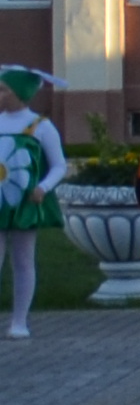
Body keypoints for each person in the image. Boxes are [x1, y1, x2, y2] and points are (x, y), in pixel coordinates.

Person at [0, 68, 62, 338]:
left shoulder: (41, 126)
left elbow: (59, 165)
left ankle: (19, 321)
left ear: (21, 93)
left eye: (4, 90)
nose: (0, 95)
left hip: (25, 202)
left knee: (23, 259)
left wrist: (43, 187)